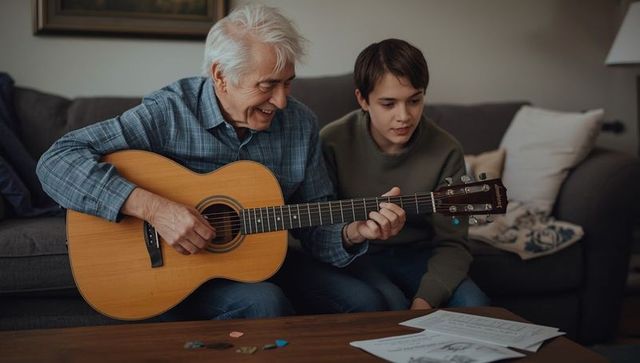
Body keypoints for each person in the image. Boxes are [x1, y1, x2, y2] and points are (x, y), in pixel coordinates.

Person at [36, 5, 405, 321]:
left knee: (366, 302)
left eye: (288, 83)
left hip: (264, 258)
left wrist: (355, 232)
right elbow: (56, 161)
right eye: (267, 85)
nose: (280, 101)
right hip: (176, 269)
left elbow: (314, 218)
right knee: (264, 303)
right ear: (220, 76)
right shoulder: (170, 112)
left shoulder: (300, 122)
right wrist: (154, 208)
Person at [276, 39, 489, 313]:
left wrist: (426, 300)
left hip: (419, 256)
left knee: (477, 305)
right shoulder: (332, 141)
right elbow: (320, 229)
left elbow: (453, 243)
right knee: (390, 307)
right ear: (362, 100)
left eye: (415, 100)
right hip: (358, 256)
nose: (404, 116)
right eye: (388, 104)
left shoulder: (446, 150)